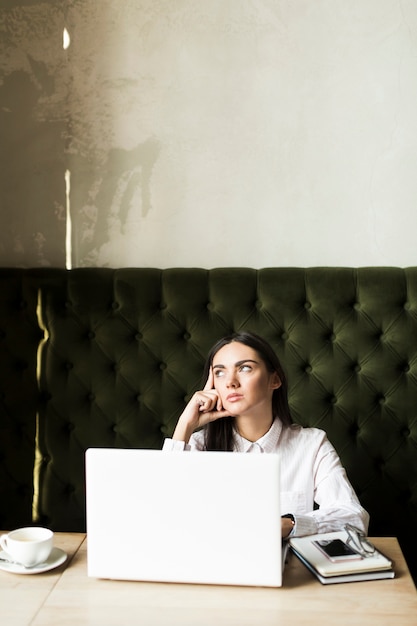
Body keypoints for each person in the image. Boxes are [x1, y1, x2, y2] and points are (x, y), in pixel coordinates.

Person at [163, 331, 369, 539]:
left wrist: (288, 524)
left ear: (275, 380)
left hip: (286, 566)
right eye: (220, 372)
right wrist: (185, 426)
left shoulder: (311, 444)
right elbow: (161, 513)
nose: (231, 382)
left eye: (245, 368)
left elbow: (353, 517)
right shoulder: (198, 445)